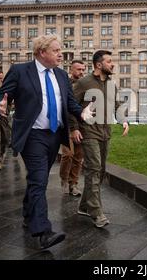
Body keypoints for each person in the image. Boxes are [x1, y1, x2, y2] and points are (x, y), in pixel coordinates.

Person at [0, 35, 93, 250]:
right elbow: (2, 95)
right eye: (56, 50)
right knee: (39, 180)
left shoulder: (61, 75)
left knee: (37, 179)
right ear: (41, 53)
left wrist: (82, 112)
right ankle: (43, 231)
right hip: (32, 135)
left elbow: (68, 101)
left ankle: (29, 215)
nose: (61, 54)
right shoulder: (20, 71)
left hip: (54, 135)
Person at [72, 50, 129, 228]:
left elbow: (117, 105)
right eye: (109, 61)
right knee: (94, 168)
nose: (113, 64)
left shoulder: (112, 84)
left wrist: (123, 120)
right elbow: (71, 105)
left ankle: (84, 206)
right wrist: (73, 128)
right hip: (88, 131)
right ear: (98, 65)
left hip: (105, 132)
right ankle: (96, 212)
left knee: (101, 170)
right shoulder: (84, 82)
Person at [59, 60, 86, 196]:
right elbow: (66, 107)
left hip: (82, 126)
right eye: (78, 69)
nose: (81, 72)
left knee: (78, 157)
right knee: (68, 154)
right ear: (71, 70)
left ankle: (73, 184)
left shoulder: (86, 85)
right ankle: (64, 179)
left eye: (83, 69)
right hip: (68, 125)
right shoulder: (65, 84)